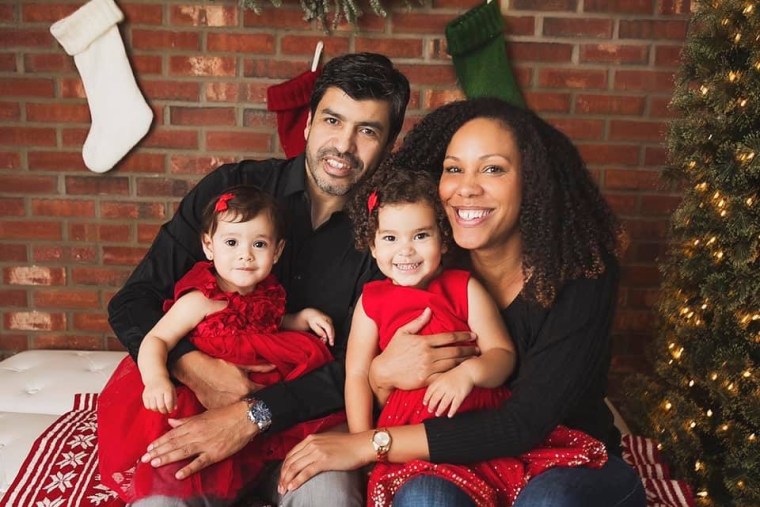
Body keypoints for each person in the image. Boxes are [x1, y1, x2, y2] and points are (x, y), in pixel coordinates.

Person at [109, 53, 469, 507]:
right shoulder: (234, 190)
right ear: (307, 124)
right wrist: (192, 366)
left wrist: (251, 416)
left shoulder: (392, 235)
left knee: (332, 502)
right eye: (333, 121)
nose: (344, 145)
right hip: (197, 414)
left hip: (310, 428)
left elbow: (361, 366)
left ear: (388, 144)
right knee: (160, 503)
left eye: (368, 131)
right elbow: (134, 300)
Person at [276, 97, 646, 507]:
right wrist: (381, 375)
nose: (467, 187)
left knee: (547, 501)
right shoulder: (423, 260)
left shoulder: (581, 274)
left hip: (564, 461)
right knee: (423, 496)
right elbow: (366, 376)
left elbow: (523, 423)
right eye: (454, 169)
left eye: (493, 168)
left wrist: (370, 444)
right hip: (454, 463)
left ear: (533, 180)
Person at [343, 168, 608, 506]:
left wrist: (468, 373)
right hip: (406, 431)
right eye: (391, 238)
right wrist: (362, 444)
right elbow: (356, 374)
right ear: (373, 246)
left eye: (420, 236)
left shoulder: (462, 287)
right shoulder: (371, 301)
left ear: (442, 238)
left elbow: (501, 354)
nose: (405, 251)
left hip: (475, 424)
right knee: (425, 494)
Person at [98, 186, 345, 504]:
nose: (246, 255)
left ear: (277, 251)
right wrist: (156, 378)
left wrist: (301, 318)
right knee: (187, 470)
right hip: (198, 402)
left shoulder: (267, 293)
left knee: (268, 442)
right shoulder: (200, 299)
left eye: (259, 244)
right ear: (208, 246)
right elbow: (156, 338)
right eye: (231, 242)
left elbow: (272, 321)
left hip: (253, 399)